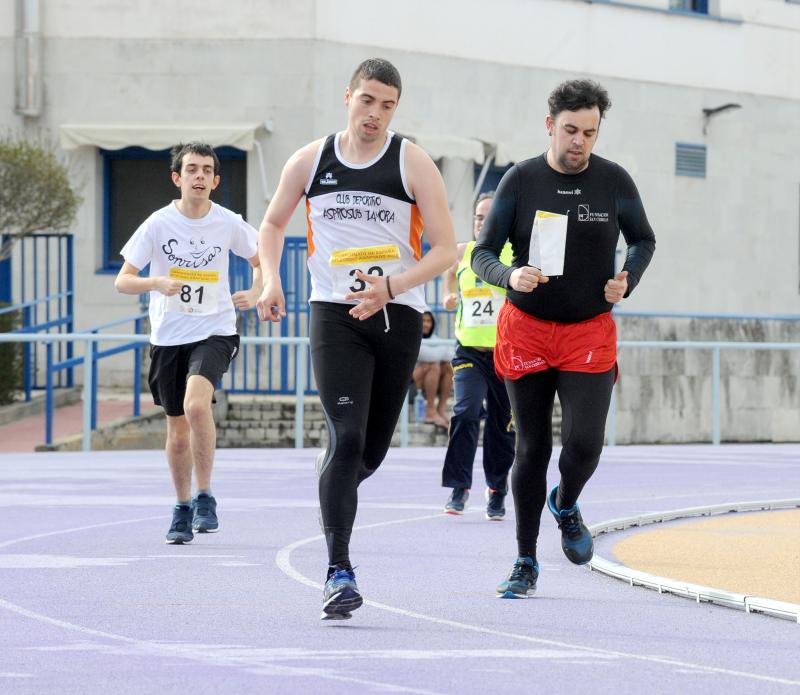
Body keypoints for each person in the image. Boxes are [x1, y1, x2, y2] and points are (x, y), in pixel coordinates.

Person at [255, 58, 457, 619]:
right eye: (367, 100)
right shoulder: (311, 160)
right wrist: (270, 278)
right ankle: (338, 570)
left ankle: (334, 484)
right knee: (345, 437)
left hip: (395, 318)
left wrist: (390, 286)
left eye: (387, 105)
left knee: (368, 452)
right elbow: (271, 226)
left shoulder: (410, 161)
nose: (375, 113)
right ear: (348, 97)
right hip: (335, 314)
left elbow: (446, 249)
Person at [471, 80, 655, 598]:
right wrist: (511, 276)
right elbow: (481, 254)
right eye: (571, 130)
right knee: (530, 448)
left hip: (588, 331)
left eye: (590, 133)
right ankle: (525, 560)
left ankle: (567, 501)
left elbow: (643, 238)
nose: (580, 142)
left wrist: (627, 279)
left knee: (584, 445)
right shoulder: (521, 180)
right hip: (527, 330)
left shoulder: (613, 180)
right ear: (550, 124)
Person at [115, 142, 262, 545]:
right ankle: (181, 506)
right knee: (177, 430)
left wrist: (258, 288)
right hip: (168, 337)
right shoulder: (158, 224)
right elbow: (123, 279)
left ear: (215, 181)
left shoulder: (228, 222)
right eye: (191, 170)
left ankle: (204, 495)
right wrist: (156, 282)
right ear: (177, 178)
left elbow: (262, 257)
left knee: (198, 405)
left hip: (215, 330)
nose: (199, 176)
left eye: (207, 170)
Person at [440, 192, 515, 518]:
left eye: (489, 216)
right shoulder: (462, 253)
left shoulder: (514, 254)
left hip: (506, 354)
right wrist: (448, 294)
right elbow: (446, 272)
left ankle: (497, 489)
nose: (482, 223)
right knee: (466, 412)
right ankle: (460, 486)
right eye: (478, 217)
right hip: (469, 351)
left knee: (503, 425)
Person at [411, 310, 453, 428]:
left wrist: (438, 353)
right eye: (423, 320)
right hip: (412, 386)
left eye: (429, 321)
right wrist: (441, 351)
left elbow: (451, 356)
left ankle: (440, 410)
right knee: (432, 366)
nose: (426, 324)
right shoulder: (412, 337)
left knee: (447, 367)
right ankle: (430, 411)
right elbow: (430, 356)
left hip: (432, 380)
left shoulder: (435, 339)